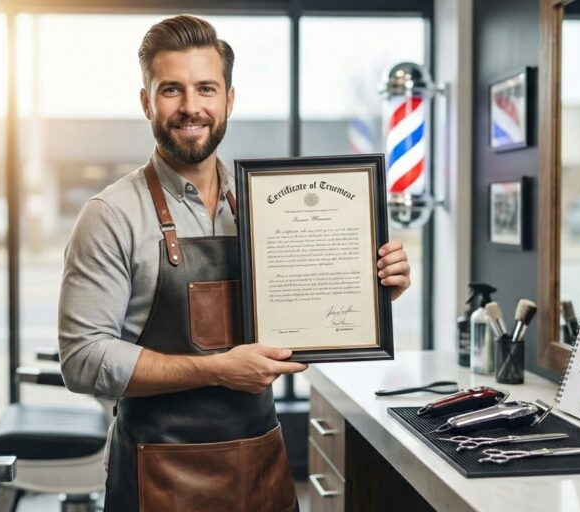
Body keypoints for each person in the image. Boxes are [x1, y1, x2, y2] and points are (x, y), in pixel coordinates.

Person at [58, 15, 411, 511]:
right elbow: (82, 360)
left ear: (229, 99)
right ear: (146, 103)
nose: (190, 107)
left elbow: (307, 313)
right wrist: (218, 370)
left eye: (206, 88)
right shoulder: (111, 215)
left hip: (262, 461)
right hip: (158, 472)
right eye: (171, 90)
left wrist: (371, 288)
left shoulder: (268, 207)